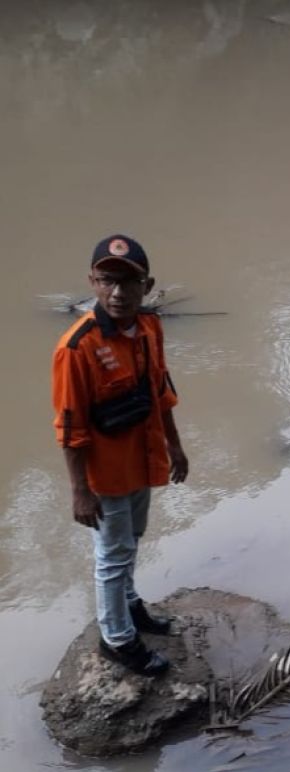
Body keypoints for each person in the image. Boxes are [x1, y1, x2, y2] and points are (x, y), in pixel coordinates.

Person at [52, 235, 189, 677]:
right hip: (106, 475)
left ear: (146, 286)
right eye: (108, 281)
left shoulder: (150, 328)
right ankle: (117, 638)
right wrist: (79, 492)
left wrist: (174, 445)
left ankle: (131, 607)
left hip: (143, 460)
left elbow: (160, 392)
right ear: (92, 282)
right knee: (111, 556)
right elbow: (70, 427)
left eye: (129, 283)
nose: (118, 293)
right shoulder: (77, 348)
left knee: (132, 542)